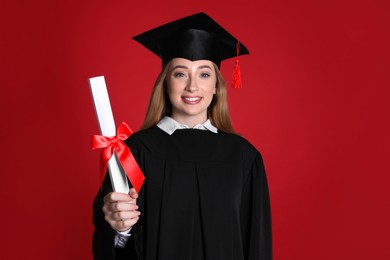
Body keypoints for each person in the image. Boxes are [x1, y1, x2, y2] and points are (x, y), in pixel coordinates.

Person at [92, 12, 272, 260]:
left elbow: (257, 246)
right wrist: (121, 231)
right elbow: (111, 246)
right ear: (166, 82)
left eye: (204, 74)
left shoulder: (243, 157)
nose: (192, 86)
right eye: (180, 73)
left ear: (217, 87)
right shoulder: (133, 152)